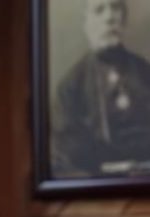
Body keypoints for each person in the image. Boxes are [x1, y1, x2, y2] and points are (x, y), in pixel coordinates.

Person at [51, 0, 150, 177]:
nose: (110, 17)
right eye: (99, 10)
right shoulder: (71, 86)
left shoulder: (144, 71)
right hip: (101, 180)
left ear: (123, 19)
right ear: (86, 23)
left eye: (116, 8)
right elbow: (70, 149)